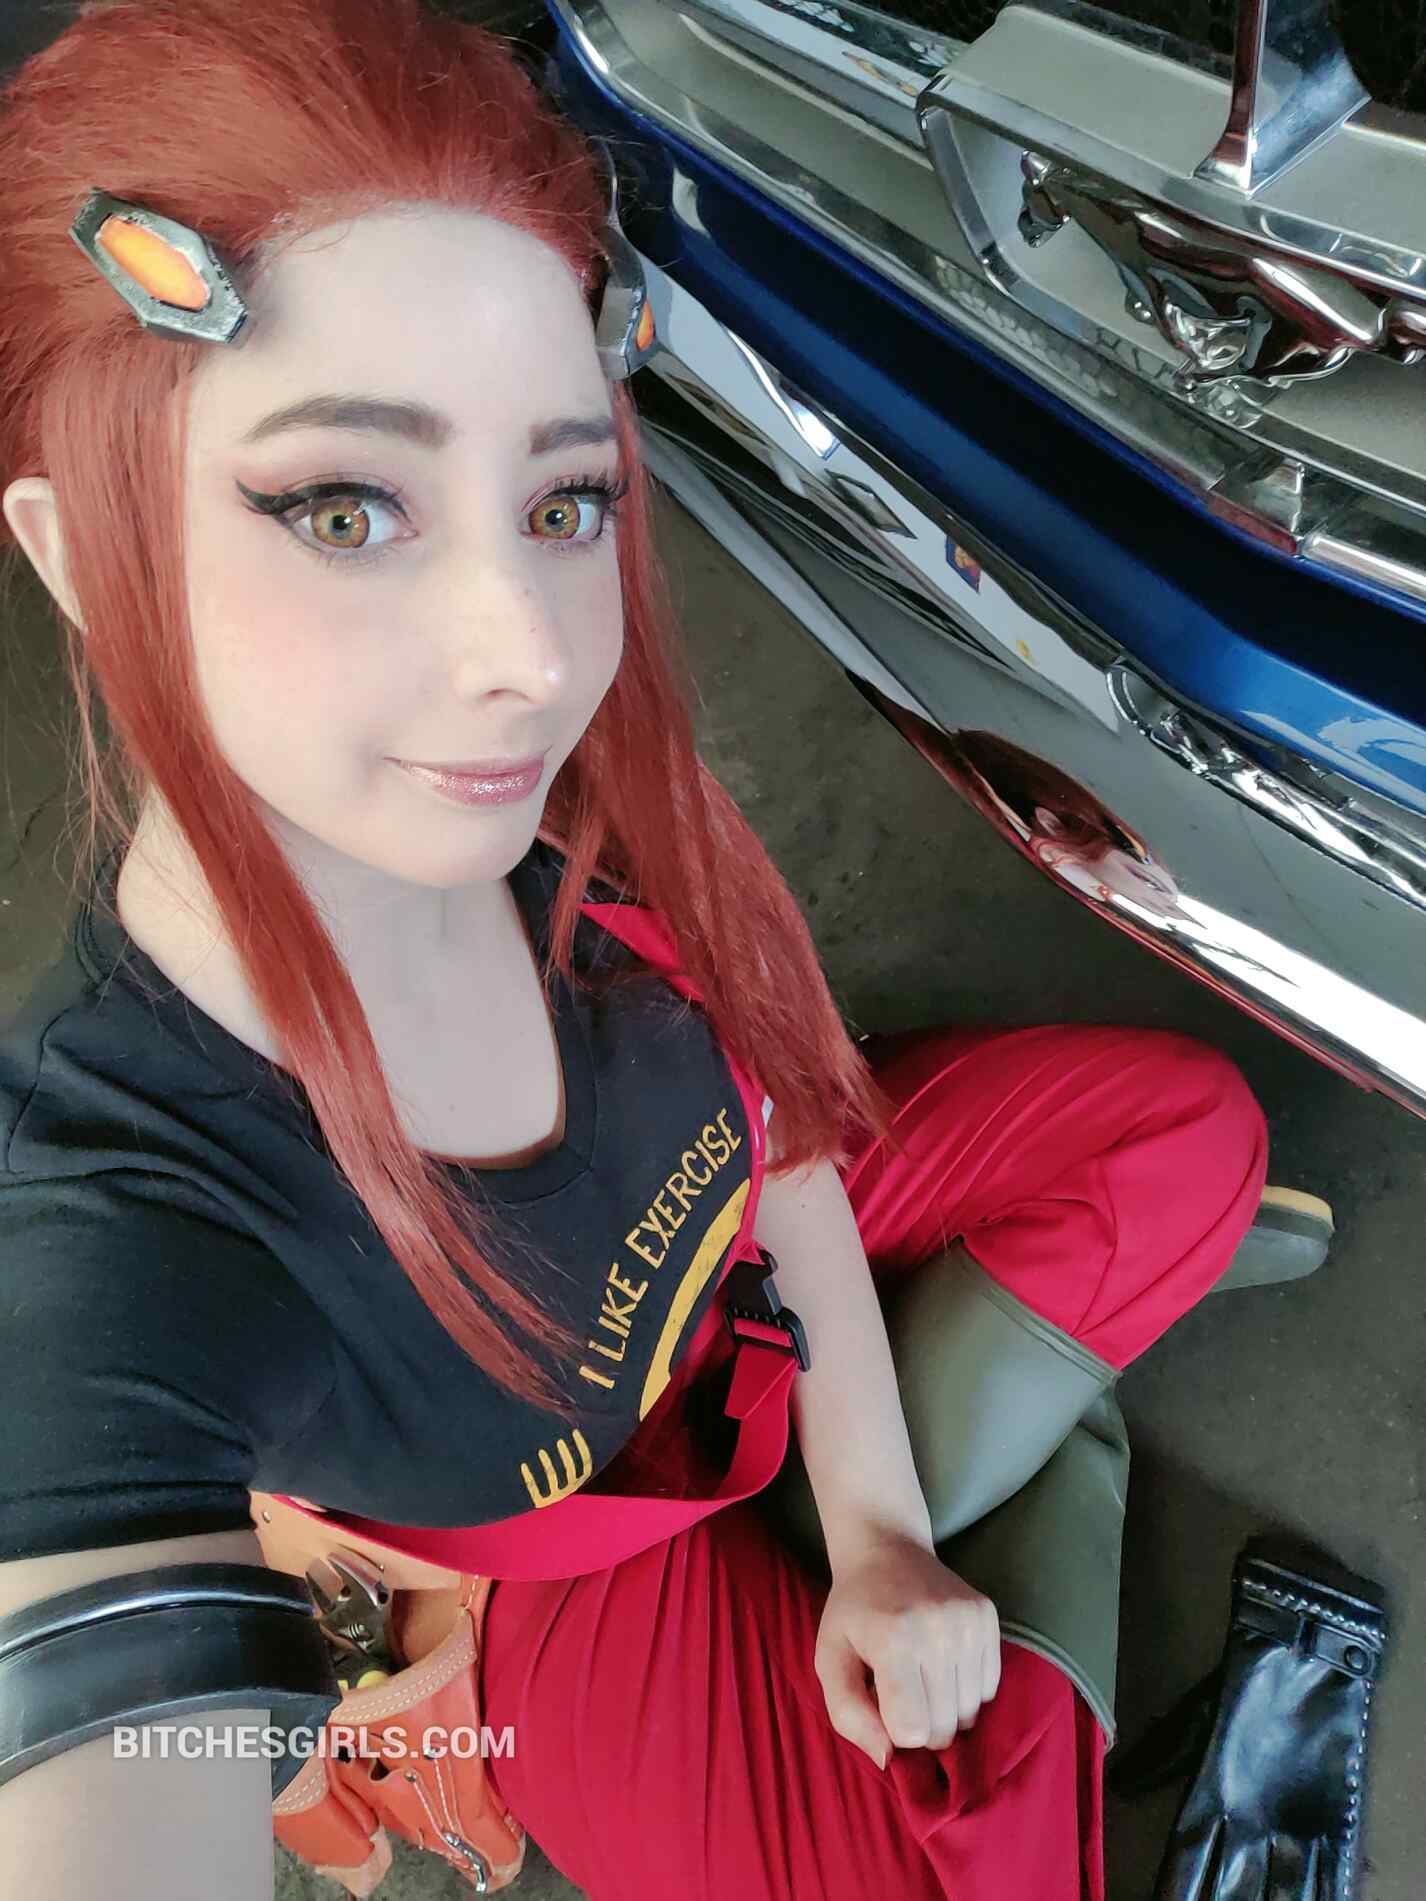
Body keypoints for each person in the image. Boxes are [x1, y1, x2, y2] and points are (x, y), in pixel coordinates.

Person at [0, 3, 1281, 1896]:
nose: (531, 649)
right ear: (82, 556)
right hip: (574, 1573)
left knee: (1195, 1136)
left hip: (748, 1289)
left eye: (563, 498)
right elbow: (88, 1710)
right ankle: (993, 1486)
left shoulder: (561, 827)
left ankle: (906, 1536)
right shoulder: (122, 1238)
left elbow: (784, 1146)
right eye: (346, 505)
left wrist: (874, 1535)